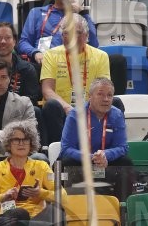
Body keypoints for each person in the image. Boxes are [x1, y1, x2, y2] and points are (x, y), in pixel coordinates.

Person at [40, 13, 111, 146]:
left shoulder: (101, 56)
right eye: (67, 33)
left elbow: (104, 90)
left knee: (114, 103)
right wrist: (68, 108)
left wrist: (87, 109)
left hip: (92, 108)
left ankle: (106, 150)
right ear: (62, 36)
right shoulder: (51, 55)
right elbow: (47, 90)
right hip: (62, 109)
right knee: (51, 106)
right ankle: (59, 151)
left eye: (77, 32)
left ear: (86, 35)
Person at [59, 78, 133, 199]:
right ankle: (64, 208)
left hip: (106, 162)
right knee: (63, 162)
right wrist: (91, 158)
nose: (106, 99)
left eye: (109, 95)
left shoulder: (117, 114)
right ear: (90, 96)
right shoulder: (75, 115)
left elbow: (123, 147)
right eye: (100, 94)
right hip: (80, 161)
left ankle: (122, 207)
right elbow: (66, 148)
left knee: (126, 162)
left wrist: (105, 155)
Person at [18, 0, 99, 64]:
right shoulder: (36, 13)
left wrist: (83, 13)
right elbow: (23, 43)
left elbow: (94, 45)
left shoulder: (80, 17)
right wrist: (35, 52)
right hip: (43, 62)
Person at [0, 22, 40, 103]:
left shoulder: (27, 69)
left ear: (14, 41)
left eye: (8, 38)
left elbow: (31, 99)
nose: (3, 41)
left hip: (19, 113)